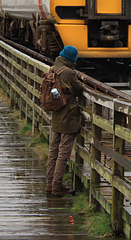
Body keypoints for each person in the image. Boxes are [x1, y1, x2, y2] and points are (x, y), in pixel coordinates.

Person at [46, 45, 83, 196]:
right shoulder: (68, 72)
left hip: (56, 113)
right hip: (68, 115)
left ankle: (49, 183)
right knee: (64, 151)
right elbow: (78, 89)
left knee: (53, 149)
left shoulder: (52, 69)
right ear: (72, 59)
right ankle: (57, 186)